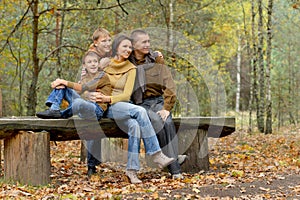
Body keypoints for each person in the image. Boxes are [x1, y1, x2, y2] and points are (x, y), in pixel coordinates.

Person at [95, 34, 175, 184]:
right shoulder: (105, 64)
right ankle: (156, 153)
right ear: (116, 48)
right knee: (140, 111)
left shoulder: (132, 68)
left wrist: (157, 55)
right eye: (124, 46)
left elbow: (126, 95)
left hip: (121, 105)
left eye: (129, 47)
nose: (128, 49)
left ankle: (132, 171)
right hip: (106, 107)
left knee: (135, 126)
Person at [36, 50, 112, 177]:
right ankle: (54, 109)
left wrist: (64, 81)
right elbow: (82, 92)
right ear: (84, 66)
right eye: (89, 62)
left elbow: (82, 88)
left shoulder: (102, 75)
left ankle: (62, 114)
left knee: (78, 103)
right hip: (84, 106)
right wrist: (62, 84)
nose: (93, 64)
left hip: (96, 110)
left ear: (99, 64)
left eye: (95, 62)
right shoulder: (85, 77)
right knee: (64, 88)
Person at [129, 29, 184, 179]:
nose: (148, 45)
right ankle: (175, 167)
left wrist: (166, 108)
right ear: (134, 45)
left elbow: (169, 83)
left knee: (167, 121)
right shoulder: (126, 61)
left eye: (149, 41)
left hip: (158, 101)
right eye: (144, 42)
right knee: (155, 120)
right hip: (140, 105)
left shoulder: (156, 59)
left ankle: (174, 168)